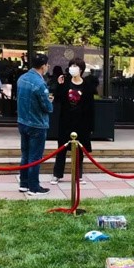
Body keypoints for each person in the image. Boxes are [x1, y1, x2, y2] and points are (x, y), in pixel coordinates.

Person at [50, 57, 96, 185]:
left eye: (75, 66)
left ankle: (78, 175)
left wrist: (91, 126)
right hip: (66, 121)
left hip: (81, 122)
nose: (72, 68)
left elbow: (91, 107)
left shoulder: (87, 85)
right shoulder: (65, 83)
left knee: (79, 151)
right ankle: (57, 174)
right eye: (71, 65)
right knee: (62, 149)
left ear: (81, 69)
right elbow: (57, 99)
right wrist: (59, 85)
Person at [17, 54, 53, 196]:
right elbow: (47, 107)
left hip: (22, 121)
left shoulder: (22, 78)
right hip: (37, 123)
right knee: (35, 157)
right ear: (43, 66)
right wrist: (50, 101)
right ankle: (34, 187)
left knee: (25, 154)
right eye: (47, 65)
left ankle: (24, 183)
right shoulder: (39, 83)